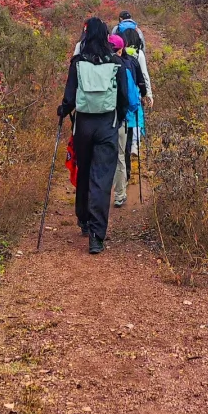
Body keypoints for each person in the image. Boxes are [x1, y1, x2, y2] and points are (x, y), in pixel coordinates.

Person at [58, 17, 129, 254]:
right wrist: (119, 118)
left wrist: (63, 110)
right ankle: (97, 236)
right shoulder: (116, 63)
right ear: (106, 36)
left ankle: (84, 220)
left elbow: (69, 98)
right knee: (101, 179)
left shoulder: (77, 62)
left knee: (84, 171)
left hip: (84, 125)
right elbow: (124, 99)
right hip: (107, 125)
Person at [110, 34, 148, 208]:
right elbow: (140, 86)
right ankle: (122, 187)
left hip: (102, 117)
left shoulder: (101, 62)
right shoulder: (131, 61)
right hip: (124, 115)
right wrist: (144, 96)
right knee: (122, 151)